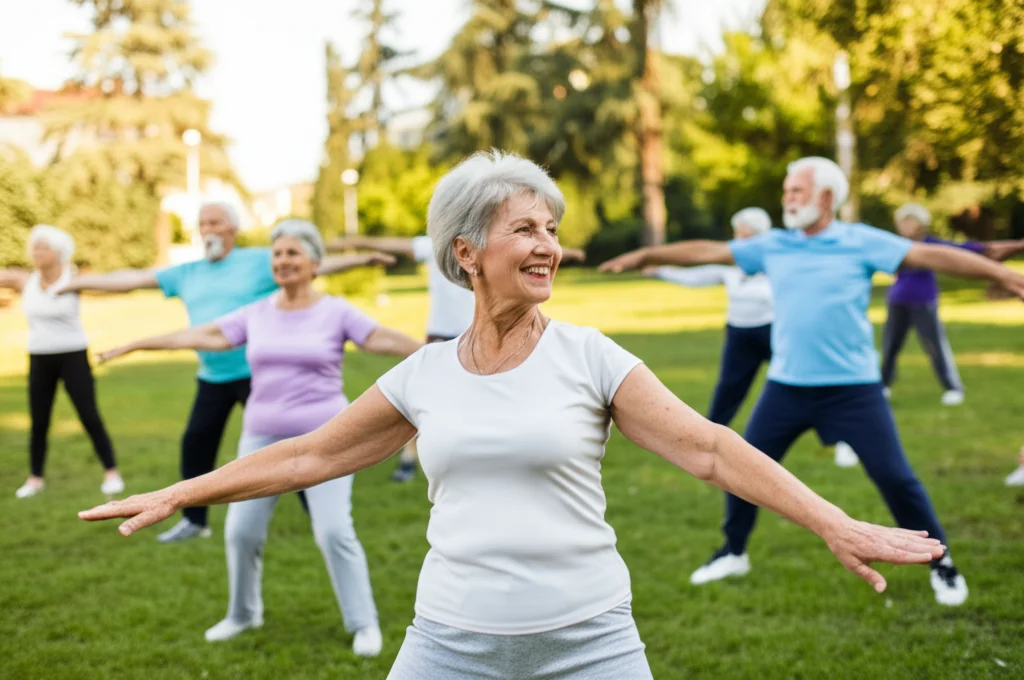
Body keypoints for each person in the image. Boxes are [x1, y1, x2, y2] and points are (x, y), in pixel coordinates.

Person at [83, 151, 947, 679]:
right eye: (526, 228)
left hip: (592, 640)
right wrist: (185, 491)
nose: (550, 245)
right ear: (468, 254)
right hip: (449, 641)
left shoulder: (590, 355)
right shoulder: (423, 375)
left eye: (552, 228)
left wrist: (832, 521)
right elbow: (308, 457)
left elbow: (713, 451)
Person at [600, 156, 1024, 606]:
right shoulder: (774, 245)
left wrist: (998, 272)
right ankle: (733, 551)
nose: (787, 199)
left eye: (796, 191)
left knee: (897, 479)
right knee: (741, 470)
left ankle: (942, 563)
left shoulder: (859, 240)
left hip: (854, 390)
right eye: (786, 191)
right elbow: (706, 250)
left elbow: (929, 255)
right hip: (786, 388)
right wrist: (648, 254)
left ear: (825, 197)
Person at [94, 220, 420, 656]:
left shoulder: (335, 311)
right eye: (277, 255)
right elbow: (202, 334)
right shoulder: (257, 312)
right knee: (241, 532)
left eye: (292, 254)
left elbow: (378, 337)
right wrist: (137, 344)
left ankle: (364, 623)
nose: (282, 261)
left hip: (327, 438)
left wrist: (434, 352)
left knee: (334, 531)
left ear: (315, 263)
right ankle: (243, 614)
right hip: (261, 436)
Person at [60, 202, 394, 542]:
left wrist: (362, 259)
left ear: (231, 229)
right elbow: (133, 279)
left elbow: (310, 263)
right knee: (196, 444)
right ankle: (195, 520)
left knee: (286, 450)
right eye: (202, 223)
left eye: (215, 223)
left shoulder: (258, 260)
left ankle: (322, 513)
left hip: (257, 375)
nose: (207, 230)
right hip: (213, 376)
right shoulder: (187, 271)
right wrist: (75, 284)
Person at [326, 232, 585, 482]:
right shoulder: (434, 245)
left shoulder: (487, 245)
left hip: (477, 330)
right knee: (426, 399)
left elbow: (528, 249)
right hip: (440, 334)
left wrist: (568, 252)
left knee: (488, 394)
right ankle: (409, 458)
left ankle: (490, 455)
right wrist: (353, 243)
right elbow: (392, 243)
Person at [0, 225, 123, 499]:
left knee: (89, 415)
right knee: (39, 421)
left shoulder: (73, 279)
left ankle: (111, 473)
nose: (37, 252)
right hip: (39, 357)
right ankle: (35, 479)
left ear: (59, 252)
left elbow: (110, 284)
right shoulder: (25, 280)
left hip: (73, 355)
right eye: (34, 246)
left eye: (43, 247)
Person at [880, 202, 1024, 406]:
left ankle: (953, 387)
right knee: (890, 347)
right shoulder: (895, 247)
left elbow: (962, 251)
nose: (905, 226)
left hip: (924, 303)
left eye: (909, 221)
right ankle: (883, 385)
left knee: (935, 346)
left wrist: (1011, 247)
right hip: (897, 302)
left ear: (920, 224)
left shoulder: (930, 245)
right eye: (902, 222)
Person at [642, 207, 773, 429]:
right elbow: (698, 276)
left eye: (743, 235)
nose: (736, 240)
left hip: (772, 331)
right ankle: (711, 434)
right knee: (729, 387)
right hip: (739, 334)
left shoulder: (774, 264)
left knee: (795, 382)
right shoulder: (731, 266)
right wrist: (660, 270)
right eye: (736, 234)